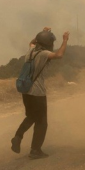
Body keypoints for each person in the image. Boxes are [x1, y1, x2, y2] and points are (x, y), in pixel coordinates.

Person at [11, 27, 70, 159]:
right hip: (37, 92)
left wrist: (42, 34)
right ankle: (35, 150)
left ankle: (18, 136)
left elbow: (31, 42)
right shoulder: (44, 54)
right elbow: (59, 55)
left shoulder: (31, 51)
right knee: (42, 122)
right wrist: (65, 40)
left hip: (26, 90)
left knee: (31, 116)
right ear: (48, 44)